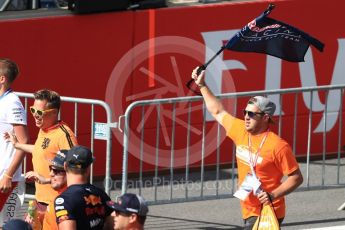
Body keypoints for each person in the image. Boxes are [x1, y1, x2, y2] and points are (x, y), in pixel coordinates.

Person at [191, 67, 303, 229]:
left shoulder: (278, 146)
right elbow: (217, 110)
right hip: (248, 208)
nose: (246, 117)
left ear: (265, 118)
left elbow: (296, 177)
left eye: (251, 114)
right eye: (245, 112)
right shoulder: (240, 129)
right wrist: (202, 85)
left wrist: (273, 195)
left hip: (269, 210)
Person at [5, 89, 77, 225]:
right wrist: (17, 145)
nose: (35, 116)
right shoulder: (44, 128)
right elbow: (41, 150)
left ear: (54, 112)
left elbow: (75, 171)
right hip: (38, 202)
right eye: (33, 110)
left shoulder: (64, 135)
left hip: (57, 204)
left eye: (40, 112)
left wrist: (47, 180)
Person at [54, 145, 113, 230]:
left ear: (65, 166)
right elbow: (113, 225)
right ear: (88, 168)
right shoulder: (102, 194)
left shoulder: (64, 200)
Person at [0, 58, 29, 213]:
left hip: (2, 174)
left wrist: (8, 175)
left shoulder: (12, 103)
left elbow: (23, 142)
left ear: (2, 79)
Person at [25, 149, 68, 230]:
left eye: (56, 171)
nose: (50, 174)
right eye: (50, 169)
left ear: (69, 172)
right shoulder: (60, 195)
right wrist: (38, 218)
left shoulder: (66, 200)